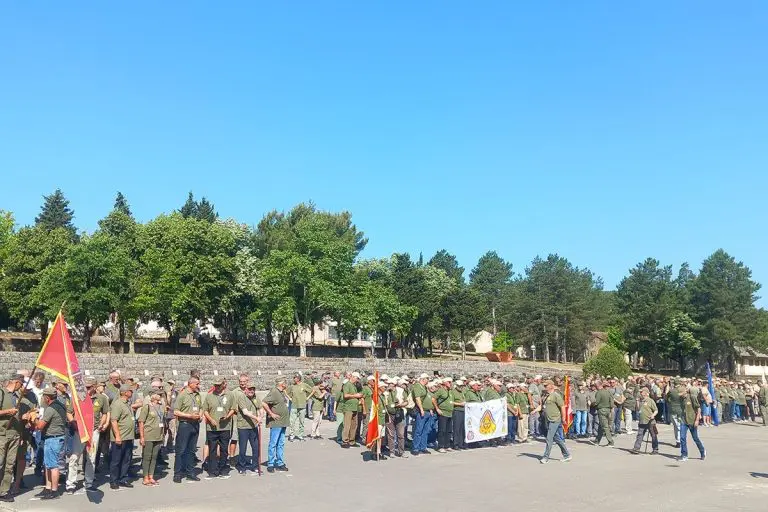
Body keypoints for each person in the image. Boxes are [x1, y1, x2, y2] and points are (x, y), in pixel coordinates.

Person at [66, 377, 107, 494]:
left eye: (89, 387)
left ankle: (89, 482)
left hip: (93, 431)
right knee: (74, 457)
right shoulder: (78, 396)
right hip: (80, 431)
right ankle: (71, 483)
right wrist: (73, 422)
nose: (87, 390)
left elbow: (104, 413)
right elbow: (69, 412)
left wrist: (102, 423)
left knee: (91, 458)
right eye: (85, 387)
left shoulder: (101, 398)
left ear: (94, 387)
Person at [34, 387, 66, 500]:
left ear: (47, 398)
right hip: (55, 437)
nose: (42, 398)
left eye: (43, 396)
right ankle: (48, 488)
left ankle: (54, 490)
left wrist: (34, 418)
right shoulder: (60, 405)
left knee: (53, 465)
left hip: (53, 438)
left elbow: (39, 426)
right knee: (48, 464)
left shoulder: (51, 409)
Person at [202, 377, 235, 479]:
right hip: (212, 428)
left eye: (218, 385)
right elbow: (205, 410)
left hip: (225, 427)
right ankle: (213, 471)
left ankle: (223, 469)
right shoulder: (209, 396)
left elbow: (233, 408)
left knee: (224, 450)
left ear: (223, 385)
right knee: (212, 450)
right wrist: (210, 419)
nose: (216, 387)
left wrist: (227, 416)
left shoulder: (230, 395)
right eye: (215, 385)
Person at [172, 376, 202, 484]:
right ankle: (177, 474)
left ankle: (190, 473)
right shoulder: (183, 395)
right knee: (181, 450)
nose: (198, 386)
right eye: (197, 384)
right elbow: (175, 411)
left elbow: (201, 407)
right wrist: (189, 416)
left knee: (191, 450)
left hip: (195, 424)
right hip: (185, 424)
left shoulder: (197, 395)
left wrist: (201, 415)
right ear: (191, 384)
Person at [0, 375, 23, 502]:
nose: (22, 386)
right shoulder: (2, 393)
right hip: (2, 434)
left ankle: (3, 491)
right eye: (21, 384)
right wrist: (7, 412)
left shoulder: (17, 397)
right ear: (16, 382)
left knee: (10, 465)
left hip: (15, 434)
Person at [109, 384, 135, 490]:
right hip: (121, 437)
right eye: (130, 391)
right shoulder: (118, 404)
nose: (132, 393)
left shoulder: (127, 403)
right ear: (124, 392)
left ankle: (123, 478)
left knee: (126, 459)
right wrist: (118, 436)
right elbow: (114, 420)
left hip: (129, 436)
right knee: (116, 460)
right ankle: (114, 480)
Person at [262, 377, 290, 473]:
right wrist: (271, 414)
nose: (286, 384)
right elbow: (264, 402)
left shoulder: (282, 392)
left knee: (281, 443)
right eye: (285, 382)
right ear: (282, 383)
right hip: (276, 422)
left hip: (283, 421)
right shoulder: (274, 391)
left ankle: (280, 462)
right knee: (273, 443)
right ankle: (271, 463)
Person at [539, 380, 571, 464]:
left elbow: (563, 407)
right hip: (548, 419)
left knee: (549, 438)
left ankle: (545, 457)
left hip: (555, 419)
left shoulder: (556, 395)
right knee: (557, 438)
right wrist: (535, 410)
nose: (545, 387)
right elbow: (542, 407)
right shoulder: (547, 396)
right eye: (544, 385)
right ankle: (567, 455)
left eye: (546, 385)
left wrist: (563, 419)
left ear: (551, 386)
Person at [235, 382, 262, 474]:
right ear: (245, 389)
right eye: (249, 389)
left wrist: (261, 416)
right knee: (243, 448)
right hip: (243, 427)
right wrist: (256, 418)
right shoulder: (241, 397)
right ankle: (242, 466)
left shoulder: (255, 397)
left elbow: (259, 408)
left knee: (256, 447)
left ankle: (255, 466)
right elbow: (245, 412)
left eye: (253, 389)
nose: (251, 391)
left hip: (253, 426)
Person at [138, 390, 165, 486]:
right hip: (148, 435)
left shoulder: (161, 407)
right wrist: (142, 437)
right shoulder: (147, 407)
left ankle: (151, 476)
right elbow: (141, 422)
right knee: (147, 457)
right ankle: (145, 477)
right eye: (159, 394)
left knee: (154, 457)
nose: (161, 396)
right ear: (153, 396)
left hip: (158, 435)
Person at [679, 385, 706, 462]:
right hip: (683, 420)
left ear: (685, 391)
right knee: (682, 437)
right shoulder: (681, 399)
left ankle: (702, 451)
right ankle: (684, 454)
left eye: (682, 393)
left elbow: (698, 408)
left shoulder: (692, 397)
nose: (681, 395)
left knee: (695, 438)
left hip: (692, 420)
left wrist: (697, 420)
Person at [630, 387, 659, 454]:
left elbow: (656, 410)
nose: (640, 393)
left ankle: (655, 449)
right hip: (642, 421)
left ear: (645, 393)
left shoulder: (650, 401)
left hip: (650, 421)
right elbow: (637, 409)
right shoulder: (640, 400)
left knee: (653, 435)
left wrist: (653, 415)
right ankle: (636, 448)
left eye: (641, 392)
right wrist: (637, 401)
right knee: (640, 435)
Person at [340, 372, 363, 448]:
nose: (358, 380)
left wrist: (358, 398)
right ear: (353, 377)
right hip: (348, 408)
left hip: (354, 407)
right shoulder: (347, 385)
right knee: (347, 425)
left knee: (354, 425)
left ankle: (352, 440)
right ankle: (345, 441)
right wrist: (355, 396)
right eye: (357, 378)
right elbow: (345, 395)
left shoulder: (354, 386)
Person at [287, 374, 310, 442]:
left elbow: (312, 390)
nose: (294, 379)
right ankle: (291, 435)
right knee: (292, 422)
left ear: (299, 378)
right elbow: (285, 391)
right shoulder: (292, 386)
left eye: (295, 378)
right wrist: (290, 398)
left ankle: (300, 435)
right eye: (294, 377)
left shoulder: (304, 385)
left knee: (301, 421)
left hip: (302, 406)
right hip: (294, 406)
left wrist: (307, 398)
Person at [591, 380, 614, 447]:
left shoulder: (599, 393)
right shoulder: (608, 392)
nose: (595, 387)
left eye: (595, 386)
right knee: (601, 426)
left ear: (597, 385)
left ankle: (611, 441)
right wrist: (610, 408)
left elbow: (596, 402)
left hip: (601, 410)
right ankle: (597, 441)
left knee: (605, 426)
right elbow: (611, 401)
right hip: (608, 409)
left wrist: (592, 404)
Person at [433, 378, 454, 453]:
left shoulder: (450, 391)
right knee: (442, 430)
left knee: (449, 430)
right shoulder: (441, 390)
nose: (450, 383)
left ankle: (447, 445)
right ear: (445, 383)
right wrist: (437, 408)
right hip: (443, 413)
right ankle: (440, 446)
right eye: (449, 382)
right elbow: (434, 399)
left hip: (450, 413)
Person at [451, 380, 466, 450]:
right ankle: (455, 444)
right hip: (457, 410)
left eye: (462, 386)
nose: (461, 387)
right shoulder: (453, 392)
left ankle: (461, 443)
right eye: (460, 386)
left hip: (463, 410)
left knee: (462, 428)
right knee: (457, 428)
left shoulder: (462, 392)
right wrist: (460, 404)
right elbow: (451, 402)